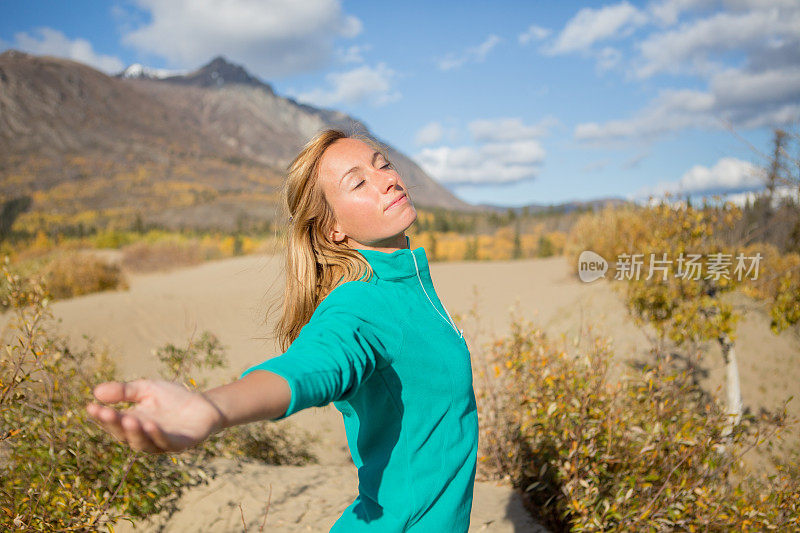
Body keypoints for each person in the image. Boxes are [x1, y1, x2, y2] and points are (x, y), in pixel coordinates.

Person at [86, 128, 479, 532]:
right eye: (359, 182)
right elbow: (313, 365)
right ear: (333, 229)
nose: (388, 180)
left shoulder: (406, 283)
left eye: (384, 165)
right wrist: (212, 408)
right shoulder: (357, 305)